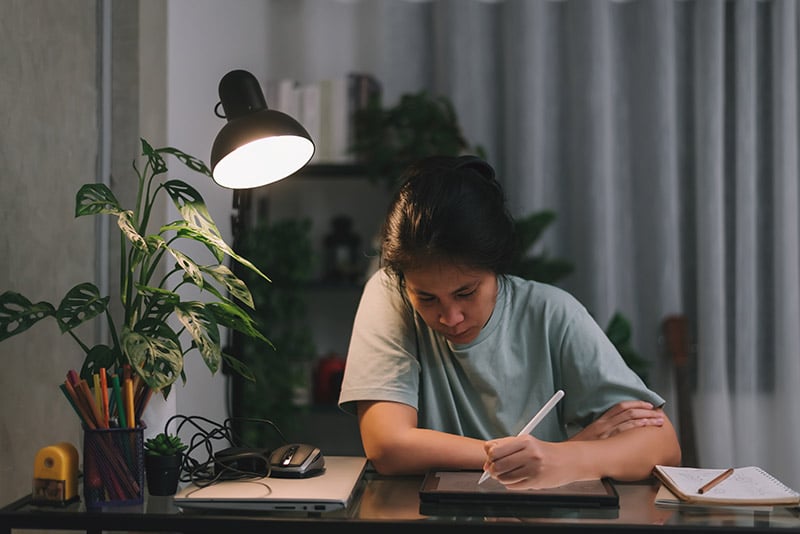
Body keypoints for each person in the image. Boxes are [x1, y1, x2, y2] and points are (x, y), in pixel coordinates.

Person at [338, 155, 681, 489]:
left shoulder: (551, 312)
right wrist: (541, 454)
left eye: (467, 292)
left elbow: (661, 445)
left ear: (496, 267)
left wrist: (561, 460)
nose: (450, 317)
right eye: (426, 298)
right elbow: (388, 446)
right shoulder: (389, 293)